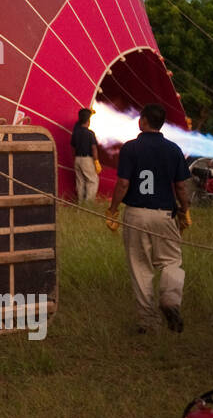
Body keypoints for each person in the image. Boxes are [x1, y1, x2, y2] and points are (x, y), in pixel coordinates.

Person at [105, 103, 191, 334]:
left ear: (142, 121)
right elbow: (181, 186)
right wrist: (185, 210)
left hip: (135, 213)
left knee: (140, 267)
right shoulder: (174, 149)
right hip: (165, 214)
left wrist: (112, 209)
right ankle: (171, 301)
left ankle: (148, 322)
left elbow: (123, 183)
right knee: (171, 261)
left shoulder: (130, 148)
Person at [70, 108, 100, 202]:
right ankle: (88, 205)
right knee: (92, 181)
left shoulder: (76, 133)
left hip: (77, 159)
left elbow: (73, 147)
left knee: (80, 182)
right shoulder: (90, 133)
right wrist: (96, 161)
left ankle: (80, 204)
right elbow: (94, 148)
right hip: (87, 160)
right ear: (88, 121)